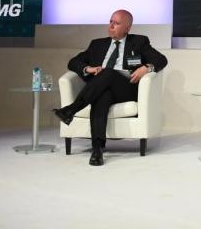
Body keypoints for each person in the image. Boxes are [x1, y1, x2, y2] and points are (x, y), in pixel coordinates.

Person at [51, 9, 167, 166]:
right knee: (102, 96)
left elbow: (161, 60)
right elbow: (73, 62)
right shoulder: (97, 44)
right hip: (100, 88)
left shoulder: (139, 42)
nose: (111, 25)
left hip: (126, 89)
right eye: (110, 21)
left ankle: (71, 110)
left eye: (116, 23)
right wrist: (88, 69)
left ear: (127, 28)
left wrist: (146, 68)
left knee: (108, 72)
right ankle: (97, 149)